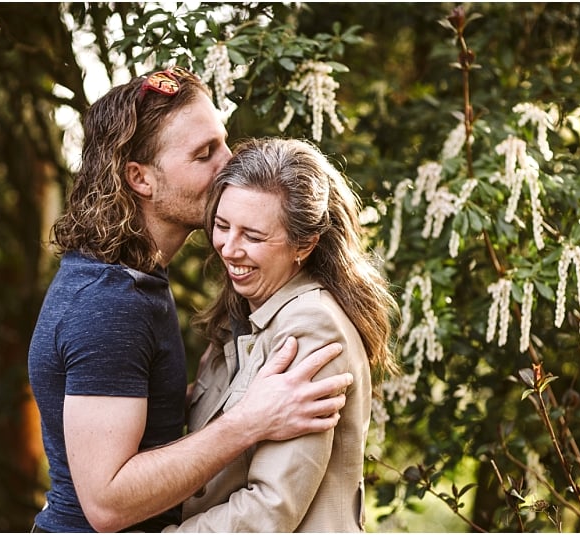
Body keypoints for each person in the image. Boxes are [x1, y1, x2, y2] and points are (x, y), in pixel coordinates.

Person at [27, 67, 353, 533]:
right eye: (204, 155)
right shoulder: (110, 302)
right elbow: (107, 504)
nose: (229, 161)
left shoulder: (136, 277)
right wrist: (249, 421)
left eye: (222, 142)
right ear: (141, 178)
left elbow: (131, 410)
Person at [164, 137, 400, 532]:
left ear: (304, 244)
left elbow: (269, 509)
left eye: (253, 237)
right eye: (222, 226)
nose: (228, 248)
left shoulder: (311, 327)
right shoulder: (249, 318)